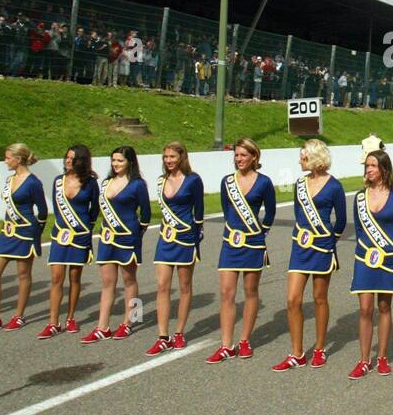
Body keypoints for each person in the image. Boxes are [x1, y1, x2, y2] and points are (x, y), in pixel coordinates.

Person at [274, 139, 346, 372]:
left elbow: (341, 220)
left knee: (319, 298)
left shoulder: (334, 186)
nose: (299, 160)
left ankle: (320, 348)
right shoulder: (299, 184)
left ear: (314, 158)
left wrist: (328, 240)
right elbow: (299, 214)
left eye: (303, 157)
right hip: (300, 247)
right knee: (293, 299)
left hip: (322, 247)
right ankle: (297, 353)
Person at [206, 138, 277, 362]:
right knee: (227, 293)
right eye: (236, 155)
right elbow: (228, 211)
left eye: (243, 155)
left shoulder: (264, 182)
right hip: (231, 243)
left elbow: (271, 212)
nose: (239, 159)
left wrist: (259, 232)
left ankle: (245, 340)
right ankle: (226, 345)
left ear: (254, 157)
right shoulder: (227, 181)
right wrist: (235, 230)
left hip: (253, 243)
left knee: (250, 292)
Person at [347, 150, 393, 379]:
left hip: (388, 259)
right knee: (365, 309)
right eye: (367, 166)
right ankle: (364, 360)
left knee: (384, 307)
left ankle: (382, 356)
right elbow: (359, 230)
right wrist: (363, 253)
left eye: (373, 165)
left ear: (384, 168)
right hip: (364, 260)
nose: (369, 169)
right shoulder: (359, 197)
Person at [0, 144, 48, 333]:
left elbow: (43, 211)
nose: (5, 161)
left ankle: (19, 316)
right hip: (7, 233)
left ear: (18, 159)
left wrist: (36, 235)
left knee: (23, 275)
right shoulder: (9, 179)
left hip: (25, 232)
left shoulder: (33, 182)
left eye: (8, 158)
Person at [82, 146, 151, 342]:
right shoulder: (105, 183)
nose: (116, 164)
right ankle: (102, 327)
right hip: (107, 238)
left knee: (129, 280)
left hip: (128, 236)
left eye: (120, 160)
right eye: (113, 160)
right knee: (107, 283)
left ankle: (131, 319)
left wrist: (138, 234)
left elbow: (145, 214)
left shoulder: (137, 184)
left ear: (130, 161)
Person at [148, 142, 204, 355]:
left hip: (186, 238)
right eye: (166, 157)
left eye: (172, 156)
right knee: (162, 285)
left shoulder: (193, 180)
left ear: (182, 157)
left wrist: (197, 238)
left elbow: (199, 211)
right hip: (165, 238)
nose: (168, 160)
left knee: (184, 287)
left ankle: (179, 332)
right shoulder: (161, 181)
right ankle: (163, 336)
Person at [38, 145, 99, 339]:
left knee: (74, 277)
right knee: (56, 278)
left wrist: (85, 227)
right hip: (60, 235)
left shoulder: (90, 183)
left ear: (81, 161)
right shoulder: (58, 181)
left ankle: (70, 317)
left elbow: (95, 208)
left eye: (72, 158)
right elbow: (57, 209)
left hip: (80, 234)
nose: (68, 161)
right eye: (67, 157)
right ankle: (53, 322)